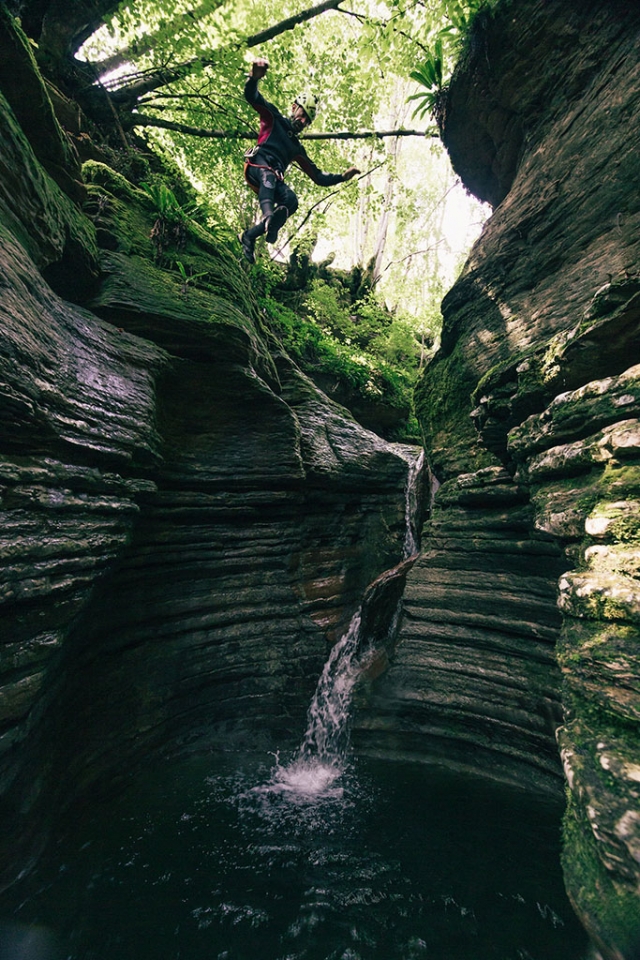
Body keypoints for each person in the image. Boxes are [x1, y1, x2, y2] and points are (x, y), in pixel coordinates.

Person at [239, 58, 361, 263]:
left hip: (272, 179)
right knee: (268, 176)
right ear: (294, 107)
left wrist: (342, 177)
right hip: (257, 165)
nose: (303, 122)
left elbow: (318, 177)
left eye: (307, 121)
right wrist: (253, 79)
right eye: (302, 115)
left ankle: (249, 236)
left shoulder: (296, 148)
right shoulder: (274, 118)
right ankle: (270, 220)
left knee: (292, 201)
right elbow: (253, 98)